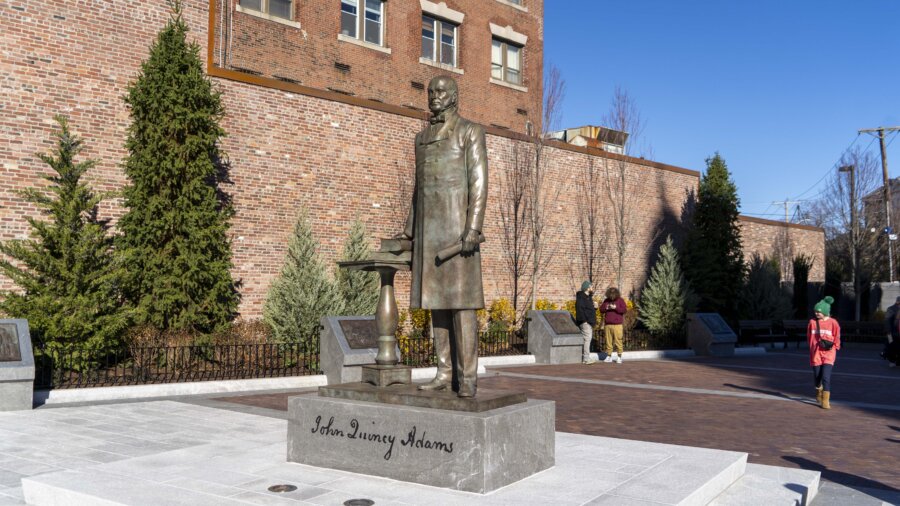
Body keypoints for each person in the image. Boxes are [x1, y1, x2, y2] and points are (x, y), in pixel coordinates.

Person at [398, 76, 488, 398]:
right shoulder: (421, 139)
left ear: (453, 97)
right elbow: (417, 190)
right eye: (430, 92)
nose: (434, 97)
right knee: (436, 305)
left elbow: (478, 184)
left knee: (462, 308)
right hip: (430, 236)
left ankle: (467, 377)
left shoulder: (469, 132)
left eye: (441, 92)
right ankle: (444, 371)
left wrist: (473, 229)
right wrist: (409, 231)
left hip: (458, 236)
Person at [807, 296, 840, 410]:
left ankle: (825, 400)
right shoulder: (812, 322)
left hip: (829, 353)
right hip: (816, 353)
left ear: (825, 311)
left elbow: (837, 335)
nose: (816, 313)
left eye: (819, 311)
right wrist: (811, 348)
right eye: (815, 311)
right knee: (817, 376)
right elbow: (809, 337)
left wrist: (835, 346)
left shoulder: (833, 322)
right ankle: (818, 389)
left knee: (826, 376)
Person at [600, 287, 627, 364]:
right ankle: (609, 356)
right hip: (608, 324)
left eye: (613, 293)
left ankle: (619, 356)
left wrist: (616, 308)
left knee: (618, 340)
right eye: (610, 293)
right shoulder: (606, 301)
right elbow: (601, 309)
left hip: (617, 325)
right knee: (608, 341)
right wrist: (607, 307)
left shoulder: (620, 300)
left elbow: (624, 310)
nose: (612, 295)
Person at [575, 281, 597, 364]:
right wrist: (585, 321)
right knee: (587, 339)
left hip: (589, 322)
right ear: (587, 288)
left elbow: (588, 310)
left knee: (587, 339)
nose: (592, 288)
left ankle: (586, 358)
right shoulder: (581, 298)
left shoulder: (588, 297)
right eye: (591, 287)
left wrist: (595, 308)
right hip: (585, 323)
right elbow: (580, 310)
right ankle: (586, 359)